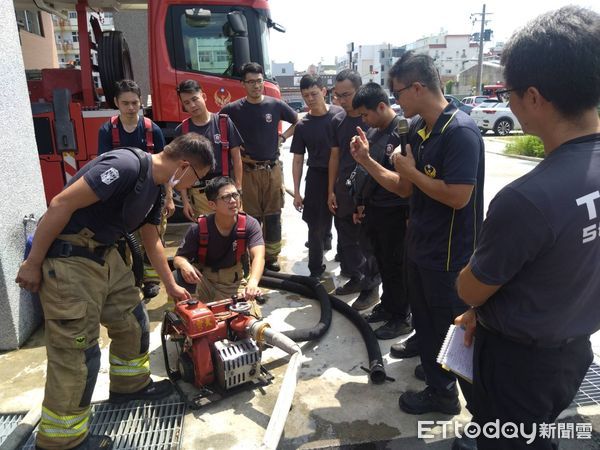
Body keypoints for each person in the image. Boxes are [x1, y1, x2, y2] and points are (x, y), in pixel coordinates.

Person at [454, 6, 600, 449]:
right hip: (575, 350)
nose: (508, 102)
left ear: (534, 97)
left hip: (519, 364)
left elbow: (471, 290)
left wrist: (472, 293)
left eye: (510, 92)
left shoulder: (528, 198)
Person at [16, 133, 215, 450]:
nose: (193, 186)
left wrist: (171, 284)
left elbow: (151, 240)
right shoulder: (125, 165)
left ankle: (130, 385)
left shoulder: (156, 188)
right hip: (71, 259)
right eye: (197, 178)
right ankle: (61, 441)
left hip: (107, 255)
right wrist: (32, 263)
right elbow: (61, 203)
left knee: (133, 322)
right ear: (185, 165)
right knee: (78, 352)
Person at [351, 53, 484, 415]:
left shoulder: (459, 132)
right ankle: (439, 386)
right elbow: (406, 188)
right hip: (421, 247)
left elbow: (458, 197)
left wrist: (411, 171)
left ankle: (474, 412)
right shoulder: (421, 131)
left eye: (399, 94)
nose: (397, 102)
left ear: (418, 87)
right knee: (426, 324)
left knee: (452, 331)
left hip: (449, 255)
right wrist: (367, 161)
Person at [348, 82, 412, 340]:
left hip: (396, 212)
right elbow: (367, 174)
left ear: (382, 106)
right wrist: (360, 203)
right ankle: (387, 306)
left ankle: (402, 317)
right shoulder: (373, 133)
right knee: (384, 264)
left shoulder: (403, 132)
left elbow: (405, 182)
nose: (364, 120)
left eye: (366, 114)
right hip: (375, 211)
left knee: (398, 267)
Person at [97, 79, 172, 299]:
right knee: (122, 242)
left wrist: (168, 196)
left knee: (152, 239)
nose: (131, 107)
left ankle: (151, 280)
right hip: (120, 198)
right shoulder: (107, 130)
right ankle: (128, 281)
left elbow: (164, 165)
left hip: (150, 195)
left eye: (135, 103)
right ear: (116, 103)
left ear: (141, 103)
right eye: (126, 103)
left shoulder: (152, 130)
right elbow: (102, 166)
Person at [220, 62, 298, 272]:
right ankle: (252, 255)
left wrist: (283, 136)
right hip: (247, 172)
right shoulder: (232, 109)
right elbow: (219, 132)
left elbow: (297, 121)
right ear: (243, 84)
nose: (256, 86)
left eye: (259, 81)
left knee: (273, 214)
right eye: (251, 82)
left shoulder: (275, 105)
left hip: (272, 170)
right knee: (250, 216)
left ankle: (271, 256)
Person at [173, 176, 264, 313]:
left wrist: (253, 282)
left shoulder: (249, 224)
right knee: (178, 278)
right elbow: (179, 258)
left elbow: (259, 256)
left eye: (235, 195)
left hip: (233, 284)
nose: (233, 201)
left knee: (247, 323)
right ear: (212, 205)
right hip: (204, 282)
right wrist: (184, 265)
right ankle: (180, 326)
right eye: (226, 197)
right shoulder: (199, 228)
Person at [327, 69, 380, 306]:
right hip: (344, 190)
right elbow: (334, 158)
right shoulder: (337, 120)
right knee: (346, 238)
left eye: (346, 94)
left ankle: (371, 288)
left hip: (368, 191)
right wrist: (331, 190)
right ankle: (356, 277)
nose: (341, 100)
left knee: (368, 243)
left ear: (359, 90)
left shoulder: (371, 118)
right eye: (337, 95)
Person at [290, 75, 343, 278]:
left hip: (341, 175)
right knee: (315, 225)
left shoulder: (340, 116)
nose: (310, 99)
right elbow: (297, 160)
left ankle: (347, 261)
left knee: (344, 221)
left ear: (323, 91)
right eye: (305, 96)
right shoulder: (303, 125)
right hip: (316, 176)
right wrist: (296, 192)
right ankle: (315, 269)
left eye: (313, 93)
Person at [175, 79, 244, 220]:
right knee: (207, 236)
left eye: (195, 99)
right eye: (187, 103)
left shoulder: (224, 123)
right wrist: (186, 201)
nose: (192, 105)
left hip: (226, 190)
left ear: (204, 97)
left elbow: (237, 158)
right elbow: (180, 168)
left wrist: (238, 188)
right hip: (199, 194)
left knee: (233, 232)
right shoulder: (182, 130)